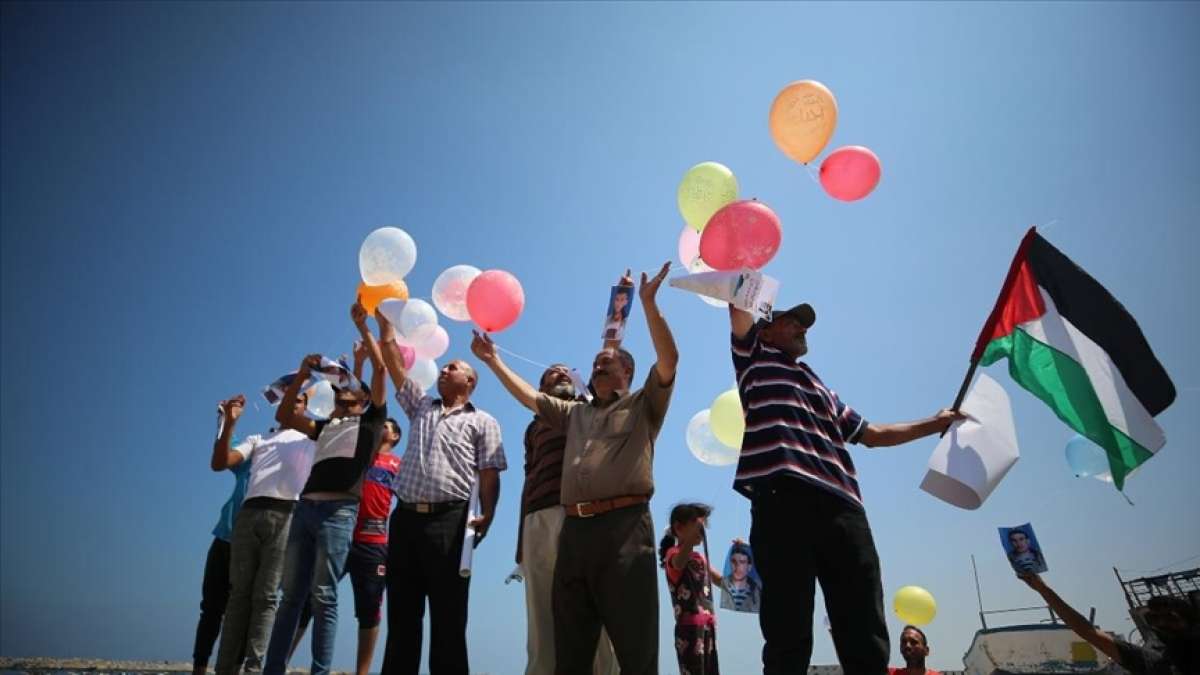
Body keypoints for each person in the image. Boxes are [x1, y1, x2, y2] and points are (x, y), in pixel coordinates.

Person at [727, 301, 963, 675]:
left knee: (864, 628)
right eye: (791, 322)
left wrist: (934, 424)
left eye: (803, 324)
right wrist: (742, 263)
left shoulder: (820, 386)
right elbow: (739, 308)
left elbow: (872, 434)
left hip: (844, 509)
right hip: (782, 500)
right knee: (788, 630)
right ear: (766, 332)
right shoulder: (753, 359)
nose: (802, 328)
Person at [473, 261, 677, 674]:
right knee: (571, 645)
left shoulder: (643, 405)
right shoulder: (573, 415)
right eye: (595, 363)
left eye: (607, 363)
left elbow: (669, 358)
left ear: (629, 372)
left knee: (634, 645)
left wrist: (648, 306)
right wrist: (493, 362)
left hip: (625, 528)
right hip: (574, 534)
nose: (597, 366)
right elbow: (531, 398)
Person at [377, 309, 507, 675]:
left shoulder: (483, 421)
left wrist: (489, 514)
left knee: (449, 619)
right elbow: (392, 360)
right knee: (402, 615)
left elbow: (489, 474)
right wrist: (385, 323)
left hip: (451, 523)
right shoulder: (420, 407)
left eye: (453, 367)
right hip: (403, 521)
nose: (444, 371)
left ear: (470, 381)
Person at [262, 300, 388, 675]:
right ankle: (273, 669)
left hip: (338, 513)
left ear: (364, 400)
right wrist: (302, 374)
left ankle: (320, 670)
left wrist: (365, 329)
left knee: (324, 595)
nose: (340, 392)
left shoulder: (370, 424)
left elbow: (381, 369)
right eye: (337, 390)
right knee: (290, 599)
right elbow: (284, 415)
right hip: (305, 511)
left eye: (349, 390)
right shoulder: (323, 427)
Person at [514, 363, 618, 675]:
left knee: (595, 608)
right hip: (538, 519)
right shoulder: (533, 427)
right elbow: (528, 477)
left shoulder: (591, 410)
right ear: (541, 389)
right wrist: (521, 538)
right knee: (542, 611)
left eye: (565, 372)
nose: (560, 374)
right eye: (552, 373)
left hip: (585, 516)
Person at [212, 391, 317, 675]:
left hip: (288, 516)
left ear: (306, 408)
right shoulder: (259, 439)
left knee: (267, 597)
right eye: (289, 399)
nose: (292, 402)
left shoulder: (312, 439)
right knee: (239, 596)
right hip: (249, 515)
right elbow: (220, 462)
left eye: (298, 400)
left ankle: (253, 669)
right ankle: (224, 668)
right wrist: (229, 424)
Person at [1020, 571, 1199, 674]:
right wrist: (1043, 589)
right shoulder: (1155, 663)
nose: (1162, 624)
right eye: (1154, 619)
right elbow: (1087, 631)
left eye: (1170, 618)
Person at [192, 403, 253, 675]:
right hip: (225, 540)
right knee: (211, 610)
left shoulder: (298, 460)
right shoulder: (254, 452)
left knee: (245, 614)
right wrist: (226, 419)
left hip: (255, 549)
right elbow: (224, 449)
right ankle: (200, 668)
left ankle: (235, 669)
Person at [659, 502, 723, 675]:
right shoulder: (672, 555)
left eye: (701, 527)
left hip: (708, 628)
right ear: (678, 527)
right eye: (695, 525)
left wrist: (740, 554)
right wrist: (688, 540)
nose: (700, 532)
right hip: (689, 631)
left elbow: (724, 582)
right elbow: (679, 563)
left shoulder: (701, 558)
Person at [721, 541, 760, 613]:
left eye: (742, 562)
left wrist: (747, 547)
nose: (737, 566)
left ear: (749, 567)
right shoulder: (726, 584)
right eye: (733, 561)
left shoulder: (757, 588)